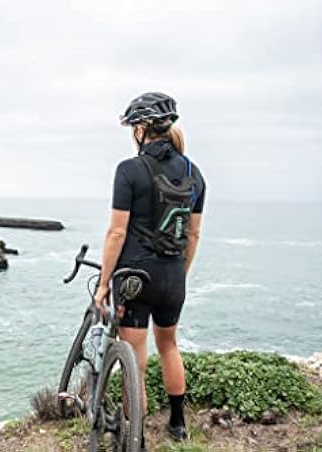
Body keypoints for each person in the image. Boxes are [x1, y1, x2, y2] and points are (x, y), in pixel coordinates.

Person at [93, 92, 206, 447]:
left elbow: (117, 232)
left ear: (141, 129)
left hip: (135, 278)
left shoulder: (129, 170)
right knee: (169, 345)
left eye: (133, 128)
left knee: (135, 362)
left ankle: (137, 438)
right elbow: (193, 234)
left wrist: (103, 284)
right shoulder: (194, 173)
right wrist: (179, 273)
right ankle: (178, 424)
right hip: (173, 276)